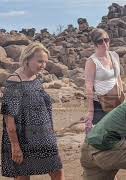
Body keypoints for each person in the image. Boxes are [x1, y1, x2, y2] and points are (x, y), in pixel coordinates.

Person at [1, 43, 64, 179]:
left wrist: (50, 131)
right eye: (40, 61)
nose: (43, 65)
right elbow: (9, 120)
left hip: (44, 135)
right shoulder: (14, 82)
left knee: (56, 169)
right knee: (23, 175)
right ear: (27, 59)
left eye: (45, 62)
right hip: (23, 137)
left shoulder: (37, 78)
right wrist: (15, 146)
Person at [84, 28, 122, 132]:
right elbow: (89, 87)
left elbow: (118, 78)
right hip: (101, 104)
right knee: (100, 138)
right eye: (100, 41)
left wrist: (122, 97)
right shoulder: (92, 61)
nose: (104, 43)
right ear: (95, 43)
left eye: (106, 40)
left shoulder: (114, 55)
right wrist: (91, 111)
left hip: (116, 102)